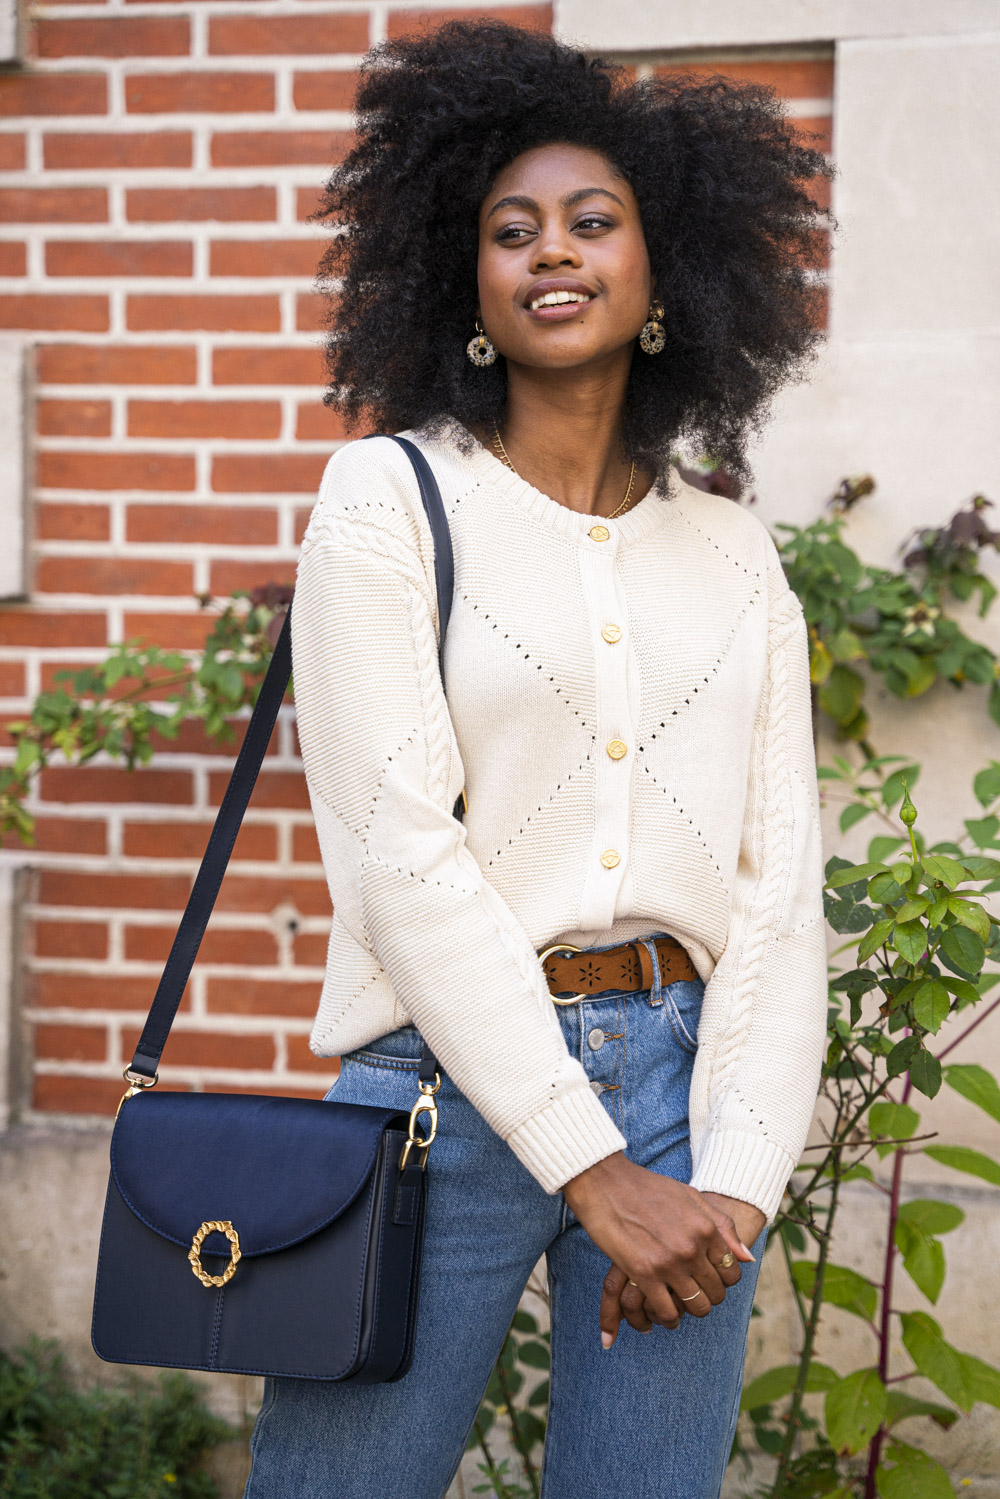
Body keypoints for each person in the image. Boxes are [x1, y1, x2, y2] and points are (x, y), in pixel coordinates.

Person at [244, 19, 831, 1499]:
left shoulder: (736, 552)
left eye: (592, 221)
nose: (550, 252)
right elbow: (403, 855)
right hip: (437, 1094)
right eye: (511, 231)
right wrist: (590, 1165)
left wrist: (732, 1193)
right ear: (466, 281)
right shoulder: (386, 500)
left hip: (692, 1098)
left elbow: (779, 891)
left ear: (662, 274)